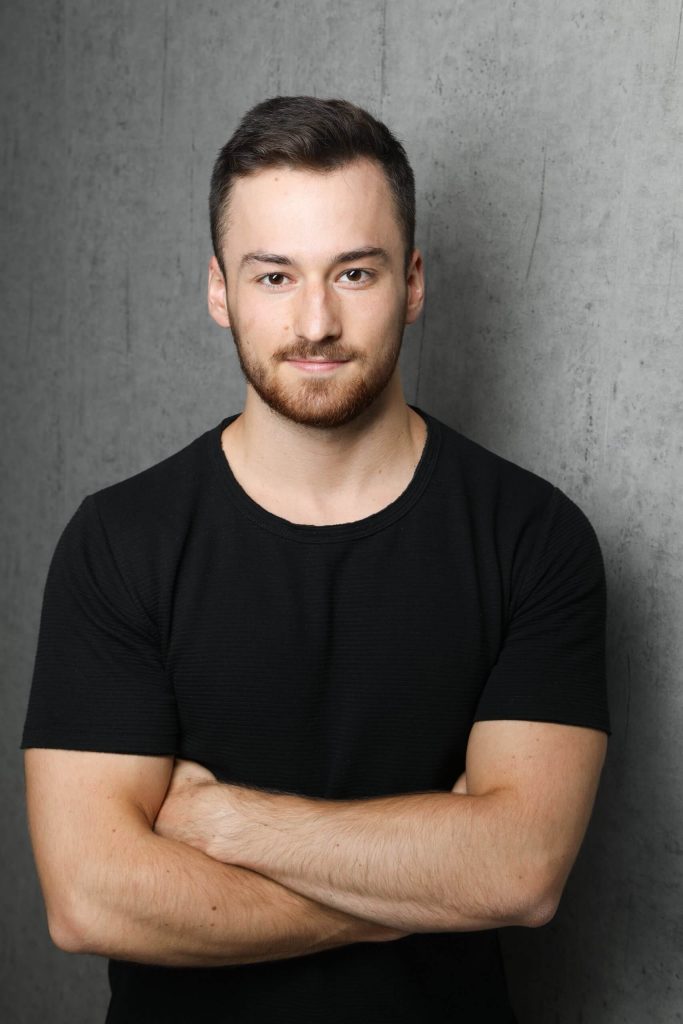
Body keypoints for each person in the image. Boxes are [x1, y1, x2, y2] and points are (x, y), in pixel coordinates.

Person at [21, 96, 610, 1024]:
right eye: (273, 276)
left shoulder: (532, 536)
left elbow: (520, 872)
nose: (316, 321)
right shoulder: (119, 541)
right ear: (219, 291)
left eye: (355, 272)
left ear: (411, 282)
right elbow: (91, 898)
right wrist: (417, 889)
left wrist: (227, 822)